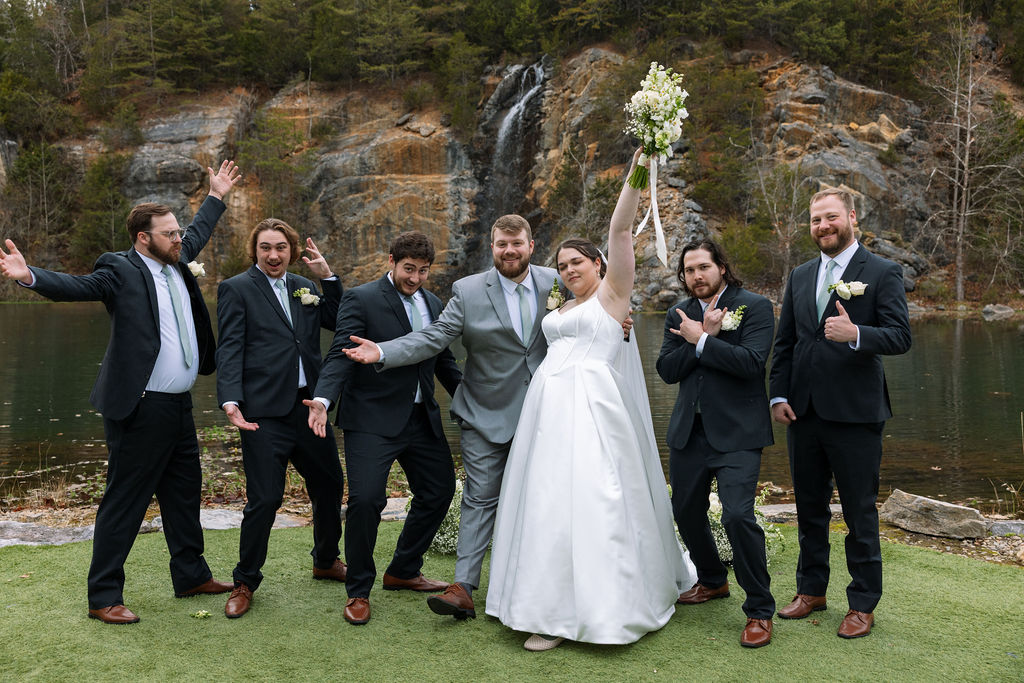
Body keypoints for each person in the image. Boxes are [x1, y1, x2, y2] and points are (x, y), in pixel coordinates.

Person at [0, 161, 242, 624]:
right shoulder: (120, 269)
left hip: (179, 406)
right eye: (169, 233)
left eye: (178, 232)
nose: (179, 238)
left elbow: (198, 235)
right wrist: (29, 275)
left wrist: (217, 196)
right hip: (140, 407)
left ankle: (190, 575)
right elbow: (77, 287)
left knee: (184, 493)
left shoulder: (177, 260)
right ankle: (103, 596)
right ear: (143, 238)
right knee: (125, 501)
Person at [484, 149, 696, 651]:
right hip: (547, 412)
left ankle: (598, 608)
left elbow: (622, 230)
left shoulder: (612, 297)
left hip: (593, 410)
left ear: (598, 264)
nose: (568, 269)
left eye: (577, 261)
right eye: (561, 265)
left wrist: (640, 167)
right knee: (547, 503)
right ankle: (545, 607)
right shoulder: (561, 305)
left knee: (595, 500)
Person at [340, 213, 572, 622]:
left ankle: (545, 582)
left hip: (546, 410)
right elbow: (434, 338)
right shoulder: (466, 290)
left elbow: (589, 311)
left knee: (547, 499)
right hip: (484, 412)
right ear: (492, 245)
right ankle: (462, 587)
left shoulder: (558, 280)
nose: (509, 251)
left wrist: (618, 323)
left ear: (531, 246)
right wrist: (384, 352)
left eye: (517, 243)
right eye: (502, 244)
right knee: (478, 499)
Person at [769, 187, 911, 639]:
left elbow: (899, 336)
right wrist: (777, 395)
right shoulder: (801, 274)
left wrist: (856, 333)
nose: (823, 227)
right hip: (803, 413)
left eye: (830, 218)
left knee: (859, 512)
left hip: (855, 414)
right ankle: (811, 590)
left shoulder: (883, 271)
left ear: (850, 217)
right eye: (815, 220)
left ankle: (862, 602)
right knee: (809, 509)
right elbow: (786, 343)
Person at [305, 232, 462, 626]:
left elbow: (443, 362)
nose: (416, 279)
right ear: (391, 261)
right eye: (409, 269)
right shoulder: (361, 298)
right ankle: (358, 590)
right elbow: (341, 353)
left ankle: (404, 569)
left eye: (423, 271)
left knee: (439, 490)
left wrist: (470, 400)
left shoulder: (434, 302)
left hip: (421, 418)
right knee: (365, 502)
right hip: (371, 420)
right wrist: (323, 401)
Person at [215, 218, 345, 619]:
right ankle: (245, 581)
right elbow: (230, 348)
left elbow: (341, 321)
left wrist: (328, 278)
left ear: (291, 250)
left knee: (329, 483)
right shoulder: (236, 288)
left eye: (281, 248)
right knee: (266, 498)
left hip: (309, 408)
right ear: (255, 250)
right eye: (266, 247)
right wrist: (230, 400)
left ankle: (325, 560)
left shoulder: (304, 286)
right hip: (262, 412)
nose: (274, 255)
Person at [656, 239, 776, 648]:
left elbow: (751, 364)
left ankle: (760, 610)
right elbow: (667, 370)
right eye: (689, 270)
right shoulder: (681, 312)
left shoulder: (755, 306)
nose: (696, 276)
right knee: (685, 510)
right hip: (690, 431)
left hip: (739, 433)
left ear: (721, 267)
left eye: (704, 267)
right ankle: (712, 580)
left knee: (738, 516)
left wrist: (704, 340)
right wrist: (697, 336)